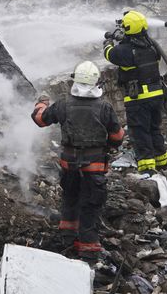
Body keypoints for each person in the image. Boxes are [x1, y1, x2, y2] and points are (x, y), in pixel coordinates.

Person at [31, 61, 124, 261]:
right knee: (90, 205)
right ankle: (88, 251)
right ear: (96, 83)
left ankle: (67, 238)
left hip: (69, 164)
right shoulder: (105, 107)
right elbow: (117, 138)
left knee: (70, 198)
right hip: (94, 167)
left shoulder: (63, 104)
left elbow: (40, 120)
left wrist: (42, 103)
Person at [103, 10, 167, 174]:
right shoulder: (151, 46)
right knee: (154, 129)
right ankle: (162, 162)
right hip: (156, 94)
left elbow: (109, 54)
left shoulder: (125, 51)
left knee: (140, 132)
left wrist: (109, 40)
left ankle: (147, 169)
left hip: (139, 98)